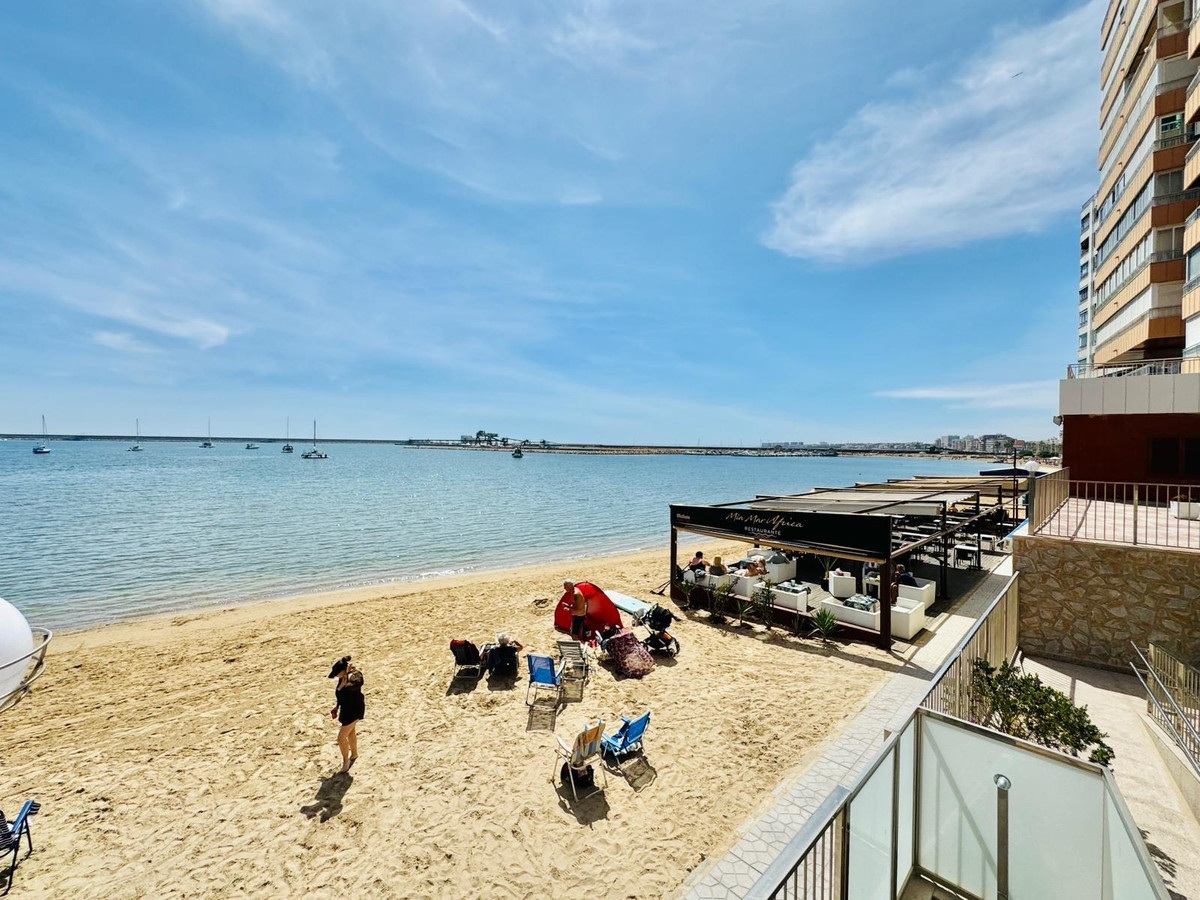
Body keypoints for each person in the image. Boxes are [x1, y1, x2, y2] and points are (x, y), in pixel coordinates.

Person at [328, 655, 365, 774]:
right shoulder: (342, 676)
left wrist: (348, 675)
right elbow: (341, 694)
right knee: (350, 733)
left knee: (341, 738)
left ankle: (345, 761)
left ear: (344, 670)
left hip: (355, 709)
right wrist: (337, 706)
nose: (337, 676)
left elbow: (351, 687)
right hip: (346, 710)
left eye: (337, 673)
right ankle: (354, 754)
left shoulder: (355, 675)